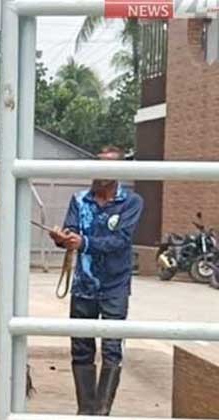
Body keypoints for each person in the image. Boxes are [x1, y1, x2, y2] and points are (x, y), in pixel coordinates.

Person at [49, 145, 144, 416]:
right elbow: (72, 233)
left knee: (113, 347)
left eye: (109, 165)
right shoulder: (79, 200)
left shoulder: (131, 202)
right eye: (98, 163)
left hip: (115, 285)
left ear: (120, 170)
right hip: (83, 285)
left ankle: (102, 411)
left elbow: (121, 240)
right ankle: (86, 410)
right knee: (81, 347)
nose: (101, 170)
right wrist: (62, 238)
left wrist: (84, 242)